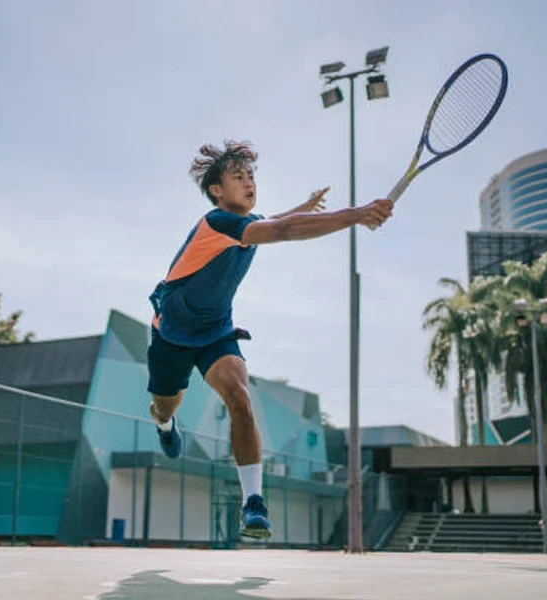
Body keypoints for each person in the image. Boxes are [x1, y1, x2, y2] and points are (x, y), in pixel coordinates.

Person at [146, 140, 394, 539]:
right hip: (172, 334)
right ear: (216, 191)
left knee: (240, 398)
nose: (249, 183)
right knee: (164, 406)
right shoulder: (216, 223)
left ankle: (253, 503)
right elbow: (279, 230)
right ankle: (164, 422)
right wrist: (357, 214)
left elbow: (272, 221)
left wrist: (302, 208)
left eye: (251, 177)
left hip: (215, 331)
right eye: (238, 178)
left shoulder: (243, 226)